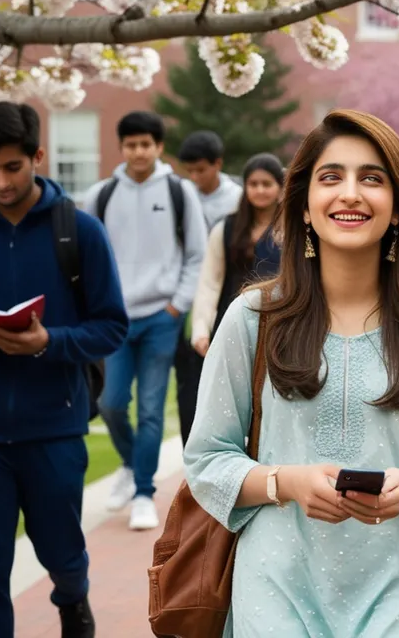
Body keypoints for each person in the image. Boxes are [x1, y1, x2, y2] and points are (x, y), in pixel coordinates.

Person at [183, 109, 399, 636]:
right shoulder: (252, 319)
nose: (350, 193)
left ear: (396, 209)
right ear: (303, 206)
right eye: (331, 177)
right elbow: (207, 460)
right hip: (276, 587)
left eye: (372, 178)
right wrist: (289, 481)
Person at [0, 101, 128, 637]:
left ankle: (72, 598)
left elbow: (111, 326)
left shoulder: (80, 233)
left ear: (38, 155)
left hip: (55, 427)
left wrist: (47, 341)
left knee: (61, 549)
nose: (0, 180)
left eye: (12, 167)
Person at [80, 110, 209, 531]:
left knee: (151, 409)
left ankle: (142, 493)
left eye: (146, 144)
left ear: (158, 147)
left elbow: (197, 253)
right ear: (122, 148)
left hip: (161, 318)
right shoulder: (100, 195)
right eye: (131, 144)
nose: (138, 151)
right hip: (115, 320)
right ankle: (130, 462)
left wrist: (177, 305)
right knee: (111, 403)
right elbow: (88, 260)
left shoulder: (179, 191)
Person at [185, 153, 285, 444]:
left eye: (267, 183)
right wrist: (202, 329)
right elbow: (209, 282)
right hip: (232, 327)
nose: (260, 190)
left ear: (279, 187)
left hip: (279, 327)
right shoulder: (226, 228)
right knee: (229, 401)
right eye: (253, 183)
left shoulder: (293, 230)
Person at [173, 131, 246, 447]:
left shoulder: (239, 200)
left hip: (226, 299)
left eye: (201, 169)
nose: (195, 177)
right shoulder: (182, 195)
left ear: (218, 164)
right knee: (187, 382)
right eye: (189, 170)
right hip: (186, 299)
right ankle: (192, 447)